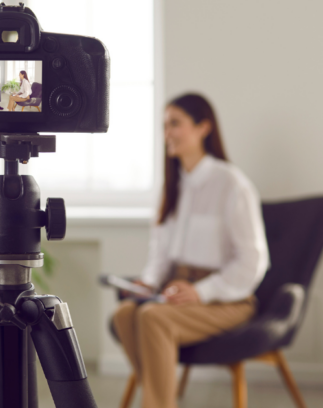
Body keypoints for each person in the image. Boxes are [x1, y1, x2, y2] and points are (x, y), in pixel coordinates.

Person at [110, 93, 269, 408]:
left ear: (203, 127)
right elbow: (161, 254)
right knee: (125, 314)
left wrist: (201, 292)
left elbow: (253, 262)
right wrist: (148, 283)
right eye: (164, 125)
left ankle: (157, 402)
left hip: (227, 298)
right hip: (176, 293)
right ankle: (161, 399)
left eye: (175, 124)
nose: (167, 133)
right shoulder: (172, 186)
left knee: (154, 319)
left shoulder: (232, 185)